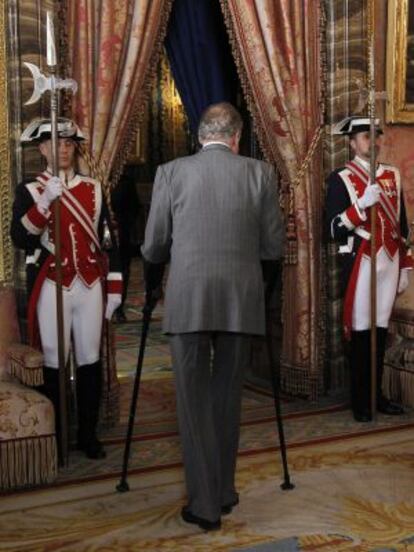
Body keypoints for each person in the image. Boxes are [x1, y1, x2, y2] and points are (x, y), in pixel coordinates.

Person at [141, 102, 284, 531]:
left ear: (200, 135)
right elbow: (273, 247)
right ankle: (221, 492)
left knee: (192, 401)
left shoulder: (170, 172)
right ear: (236, 137)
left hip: (188, 299)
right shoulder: (260, 173)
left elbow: (152, 246)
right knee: (226, 397)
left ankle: (204, 504)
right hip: (241, 299)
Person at [11, 117, 122, 460]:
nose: (64, 149)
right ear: (43, 149)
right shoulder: (29, 190)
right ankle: (58, 435)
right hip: (52, 284)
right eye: (57, 143)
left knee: (89, 358)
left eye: (69, 144)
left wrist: (115, 288)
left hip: (89, 284)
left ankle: (87, 435)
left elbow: (110, 241)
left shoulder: (94, 187)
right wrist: (44, 203)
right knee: (55, 361)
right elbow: (19, 237)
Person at [326, 116, 413, 422]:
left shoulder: (392, 174)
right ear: (351, 143)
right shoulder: (341, 179)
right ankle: (361, 401)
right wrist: (360, 205)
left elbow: (403, 228)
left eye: (375, 136)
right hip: (362, 261)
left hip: (389, 261)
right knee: (362, 331)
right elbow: (334, 229)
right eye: (364, 136)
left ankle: (379, 397)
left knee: (380, 330)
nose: (372, 142)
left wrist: (405, 266)